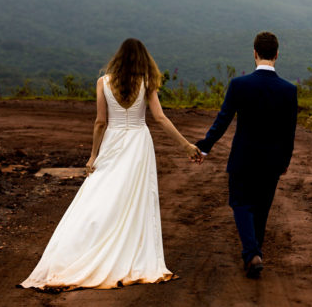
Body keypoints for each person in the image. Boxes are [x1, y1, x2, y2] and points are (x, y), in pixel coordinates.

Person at [21, 38, 201, 291]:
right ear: (143, 60)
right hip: (139, 142)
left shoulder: (103, 83)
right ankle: (129, 250)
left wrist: (93, 155)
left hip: (113, 141)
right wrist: (185, 146)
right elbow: (159, 117)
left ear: (118, 58)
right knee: (135, 198)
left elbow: (100, 122)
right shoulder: (147, 83)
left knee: (101, 192)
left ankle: (86, 244)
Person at [195, 31, 298, 278]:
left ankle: (252, 254)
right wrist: (284, 161)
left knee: (240, 203)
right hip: (272, 161)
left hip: (243, 158)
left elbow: (223, 120)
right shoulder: (289, 90)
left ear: (254, 53)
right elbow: (289, 132)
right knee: (262, 209)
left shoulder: (239, 85)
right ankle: (255, 254)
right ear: (276, 54)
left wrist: (204, 146)